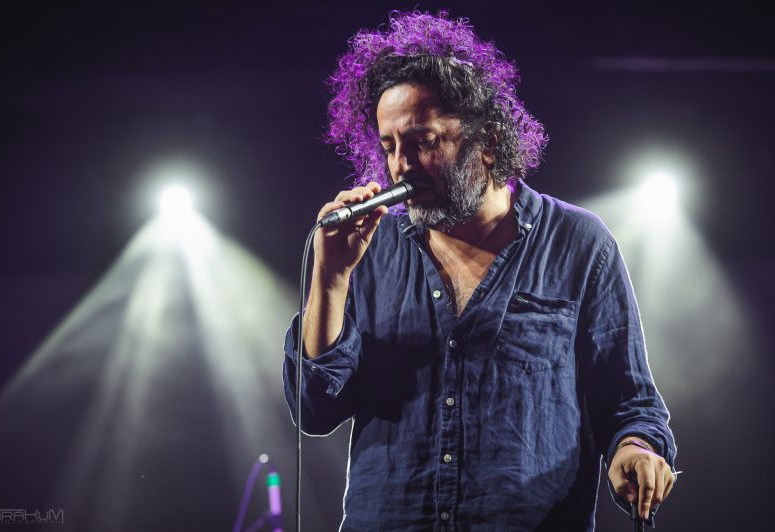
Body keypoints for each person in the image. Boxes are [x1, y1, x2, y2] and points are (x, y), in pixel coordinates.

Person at [283, 11, 676, 531]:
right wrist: (331, 279)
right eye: (389, 147)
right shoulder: (369, 249)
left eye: (423, 141)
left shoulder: (578, 242)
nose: (400, 164)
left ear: (487, 140)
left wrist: (637, 449)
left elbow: (630, 401)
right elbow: (314, 409)